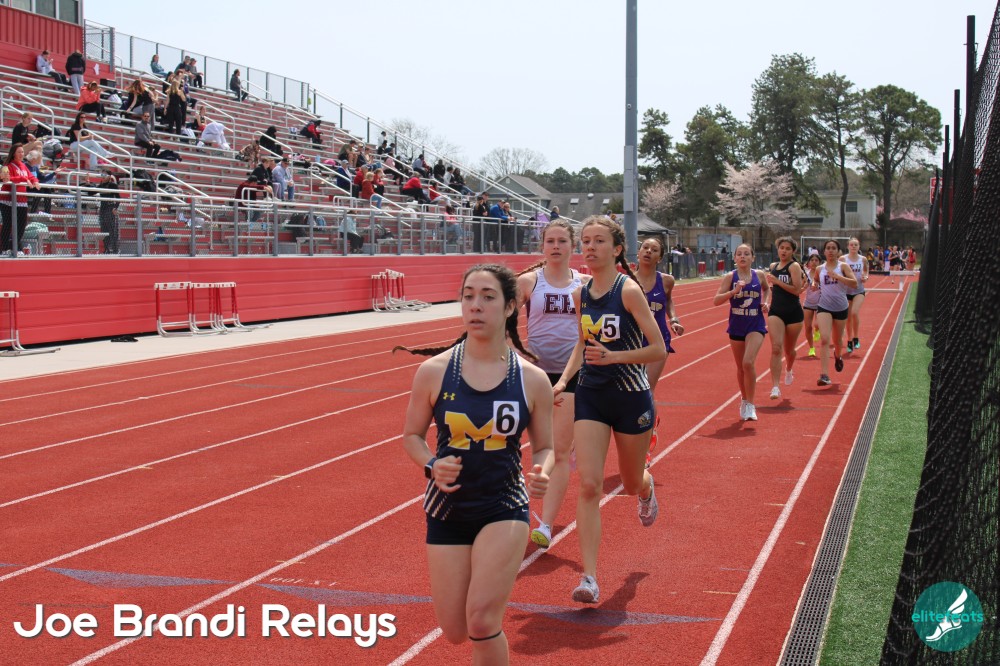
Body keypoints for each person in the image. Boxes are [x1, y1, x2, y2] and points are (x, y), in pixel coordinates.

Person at [397, 263, 552, 665]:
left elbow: (545, 446)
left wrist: (543, 470)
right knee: (454, 630)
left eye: (487, 297)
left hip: (504, 506)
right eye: (468, 296)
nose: (475, 306)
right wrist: (431, 465)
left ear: (510, 307)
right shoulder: (433, 371)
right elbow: (412, 436)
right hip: (447, 509)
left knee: (482, 621)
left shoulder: (532, 379)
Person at [553, 216, 665, 603]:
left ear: (616, 249)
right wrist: (564, 381)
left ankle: (646, 488)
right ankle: (589, 578)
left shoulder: (628, 291)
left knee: (630, 483)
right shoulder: (580, 294)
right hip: (592, 394)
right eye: (585, 240)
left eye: (598, 241)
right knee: (589, 484)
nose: (589, 247)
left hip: (630, 395)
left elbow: (657, 348)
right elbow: (582, 344)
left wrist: (614, 356)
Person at [515, 220, 588, 549]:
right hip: (533, 375)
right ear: (542, 246)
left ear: (573, 246)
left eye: (562, 241)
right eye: (550, 241)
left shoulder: (584, 284)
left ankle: (545, 524)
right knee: (514, 442)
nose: (556, 246)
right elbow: (501, 319)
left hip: (570, 375)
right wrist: (517, 352)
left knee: (558, 451)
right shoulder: (529, 281)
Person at [635, 236, 683, 459]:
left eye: (654, 250)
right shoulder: (626, 280)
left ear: (660, 257)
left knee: (646, 390)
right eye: (645, 247)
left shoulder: (666, 281)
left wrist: (674, 319)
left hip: (658, 341)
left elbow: (668, 301)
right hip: (632, 342)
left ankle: (645, 444)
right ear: (638, 252)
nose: (648, 251)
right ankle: (648, 421)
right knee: (631, 393)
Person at [713, 243, 772, 421]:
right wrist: (733, 291)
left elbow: (767, 289)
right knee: (740, 368)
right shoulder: (730, 277)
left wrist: (766, 302)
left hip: (755, 324)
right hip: (737, 324)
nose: (743, 256)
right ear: (735, 258)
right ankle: (745, 400)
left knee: (748, 362)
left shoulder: (759, 275)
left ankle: (751, 404)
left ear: (753, 257)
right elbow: (716, 300)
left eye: (746, 254)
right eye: (739, 254)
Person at [811, 239, 858, 386]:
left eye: (833, 248)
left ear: (838, 252)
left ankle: (838, 356)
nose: (830, 250)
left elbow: (854, 283)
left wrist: (838, 277)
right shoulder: (820, 269)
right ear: (824, 251)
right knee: (825, 339)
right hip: (824, 306)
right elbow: (815, 280)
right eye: (828, 248)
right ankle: (824, 374)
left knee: (837, 341)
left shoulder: (843, 266)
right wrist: (814, 284)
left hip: (841, 307)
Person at [765, 236, 805, 399]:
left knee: (789, 350)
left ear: (793, 251)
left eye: (788, 249)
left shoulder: (794, 266)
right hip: (776, 311)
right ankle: (775, 386)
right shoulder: (773, 266)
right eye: (782, 248)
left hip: (793, 313)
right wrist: (768, 296)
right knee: (776, 348)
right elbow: (771, 287)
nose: (784, 251)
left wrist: (777, 282)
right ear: (778, 249)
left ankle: (789, 369)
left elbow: (797, 290)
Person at [0, 143, 40, 256]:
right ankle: (4, 249)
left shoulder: (23, 165)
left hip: (21, 201)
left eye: (22, 152)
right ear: (13, 153)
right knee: (8, 224)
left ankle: (16, 247)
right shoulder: (7, 165)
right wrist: (23, 178)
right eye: (19, 152)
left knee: (21, 225)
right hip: (7, 200)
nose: (21, 154)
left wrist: (35, 181)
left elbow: (31, 176)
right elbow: (6, 179)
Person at [841, 237, 869, 353]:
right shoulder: (843, 259)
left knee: (854, 312)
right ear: (848, 246)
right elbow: (839, 271)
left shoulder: (863, 259)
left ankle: (856, 337)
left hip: (859, 290)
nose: (853, 246)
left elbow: (866, 271)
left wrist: (865, 277)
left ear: (859, 247)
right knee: (848, 318)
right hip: (846, 292)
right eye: (851, 245)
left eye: (856, 245)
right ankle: (849, 340)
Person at [24, 149, 60, 214]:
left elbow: (42, 178)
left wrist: (54, 173)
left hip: (35, 186)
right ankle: (33, 211)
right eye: (39, 159)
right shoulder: (24, 166)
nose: (40, 160)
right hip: (27, 186)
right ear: (34, 159)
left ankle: (48, 213)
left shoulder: (35, 167)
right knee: (40, 189)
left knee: (47, 190)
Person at [801, 253, 822, 357]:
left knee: (817, 324)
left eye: (816, 260)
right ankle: (811, 348)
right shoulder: (806, 274)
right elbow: (802, 287)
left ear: (820, 263)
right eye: (812, 260)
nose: (814, 262)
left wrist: (819, 285)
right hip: (808, 303)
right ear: (809, 263)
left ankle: (817, 330)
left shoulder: (822, 274)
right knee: (808, 327)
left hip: (820, 303)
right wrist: (803, 287)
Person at [95, 171, 121, 254]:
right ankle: (107, 249)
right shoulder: (100, 186)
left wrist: (115, 207)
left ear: (109, 176)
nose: (103, 176)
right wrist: (87, 183)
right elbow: (90, 192)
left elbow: (118, 198)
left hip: (110, 208)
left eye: (105, 174)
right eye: (102, 174)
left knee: (112, 230)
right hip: (103, 209)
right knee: (104, 230)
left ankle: (115, 250)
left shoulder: (113, 185)